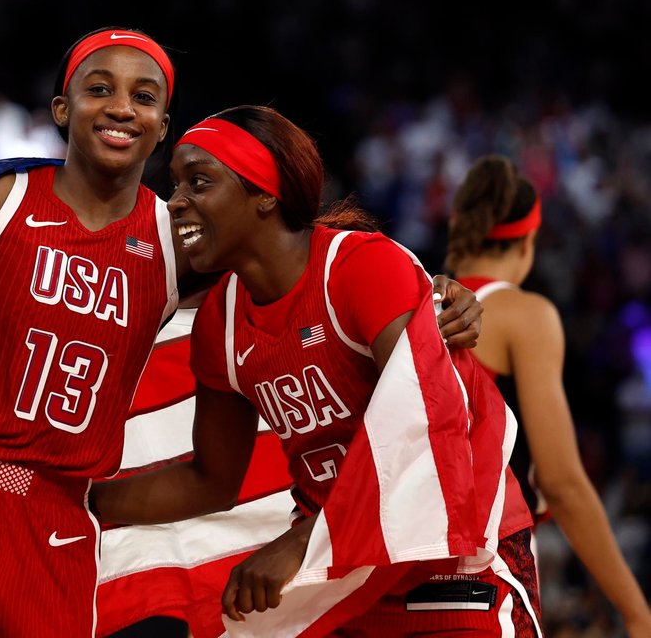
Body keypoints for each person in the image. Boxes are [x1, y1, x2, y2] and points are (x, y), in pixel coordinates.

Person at [0, 29, 484, 637]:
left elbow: (297, 259)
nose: (121, 107)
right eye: (99, 88)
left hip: (60, 514)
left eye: (144, 96)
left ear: (161, 126)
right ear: (61, 108)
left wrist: (434, 294)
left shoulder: (176, 239)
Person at [90, 105, 544, 637]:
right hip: (344, 572)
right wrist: (84, 500)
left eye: (199, 182)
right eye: (176, 184)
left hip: (452, 555)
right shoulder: (221, 321)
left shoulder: (360, 268)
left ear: (265, 194)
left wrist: (301, 541)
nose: (177, 202)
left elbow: (428, 428)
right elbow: (210, 481)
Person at [446, 154, 651, 637]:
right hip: (482, 571)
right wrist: (636, 609)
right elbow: (562, 481)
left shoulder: (411, 301)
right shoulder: (523, 313)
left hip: (395, 570)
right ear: (528, 242)